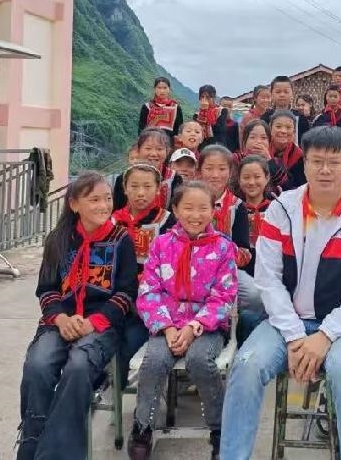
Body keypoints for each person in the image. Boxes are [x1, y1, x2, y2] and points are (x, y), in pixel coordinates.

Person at [220, 127, 341, 460]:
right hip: (287, 322)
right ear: (306, 164)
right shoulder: (282, 210)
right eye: (317, 161)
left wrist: (324, 336)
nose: (325, 170)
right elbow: (268, 279)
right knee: (247, 365)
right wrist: (296, 336)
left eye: (335, 162)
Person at [17, 173, 138, 460]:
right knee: (38, 364)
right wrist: (61, 319)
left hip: (101, 324)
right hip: (59, 322)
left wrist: (92, 323)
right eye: (94, 199)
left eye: (107, 199)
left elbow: (126, 293)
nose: (103, 206)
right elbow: (46, 290)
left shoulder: (121, 240)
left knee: (78, 366)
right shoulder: (58, 240)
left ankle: (51, 454)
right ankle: (31, 444)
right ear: (74, 204)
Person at [128, 182, 237, 460]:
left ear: (213, 211)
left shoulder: (223, 247)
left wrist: (193, 327)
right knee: (154, 362)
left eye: (203, 208)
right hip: (166, 325)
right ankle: (142, 427)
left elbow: (224, 296)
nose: (195, 215)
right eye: (188, 208)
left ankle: (220, 429)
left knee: (200, 361)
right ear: (175, 210)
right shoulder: (161, 244)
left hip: (208, 327)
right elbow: (149, 290)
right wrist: (167, 328)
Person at [112, 162, 176, 380]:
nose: (141, 193)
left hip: (152, 298)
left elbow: (170, 264)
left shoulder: (167, 220)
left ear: (158, 189)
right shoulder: (112, 220)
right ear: (124, 188)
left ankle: (119, 386)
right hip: (117, 295)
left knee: (130, 340)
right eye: (134, 186)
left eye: (147, 186)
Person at [198, 145, 252, 268]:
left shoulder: (237, 206)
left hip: (227, 269)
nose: (215, 175)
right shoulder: (188, 202)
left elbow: (244, 252)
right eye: (209, 168)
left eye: (222, 169)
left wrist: (217, 259)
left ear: (231, 172)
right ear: (199, 170)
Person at [114, 129, 180, 210]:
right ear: (138, 150)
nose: (153, 154)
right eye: (148, 148)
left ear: (167, 151)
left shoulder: (174, 179)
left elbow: (176, 210)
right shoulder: (123, 178)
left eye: (159, 149)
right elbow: (117, 209)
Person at [261, 75, 309, 144]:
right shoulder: (265, 118)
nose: (282, 95)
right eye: (278, 92)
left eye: (286, 92)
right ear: (271, 94)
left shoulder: (300, 118)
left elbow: (306, 143)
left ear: (292, 94)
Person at [269, 111, 306, 190]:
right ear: (270, 128)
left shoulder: (299, 156)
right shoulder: (262, 150)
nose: (283, 131)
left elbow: (300, 188)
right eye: (278, 127)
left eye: (288, 127)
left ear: (294, 132)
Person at [194, 85, 228, 149]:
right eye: (202, 97)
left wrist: (206, 112)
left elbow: (220, 130)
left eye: (208, 97)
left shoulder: (222, 111)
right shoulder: (197, 114)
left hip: (217, 144)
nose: (204, 99)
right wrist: (203, 112)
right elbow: (197, 129)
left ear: (214, 98)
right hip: (201, 145)